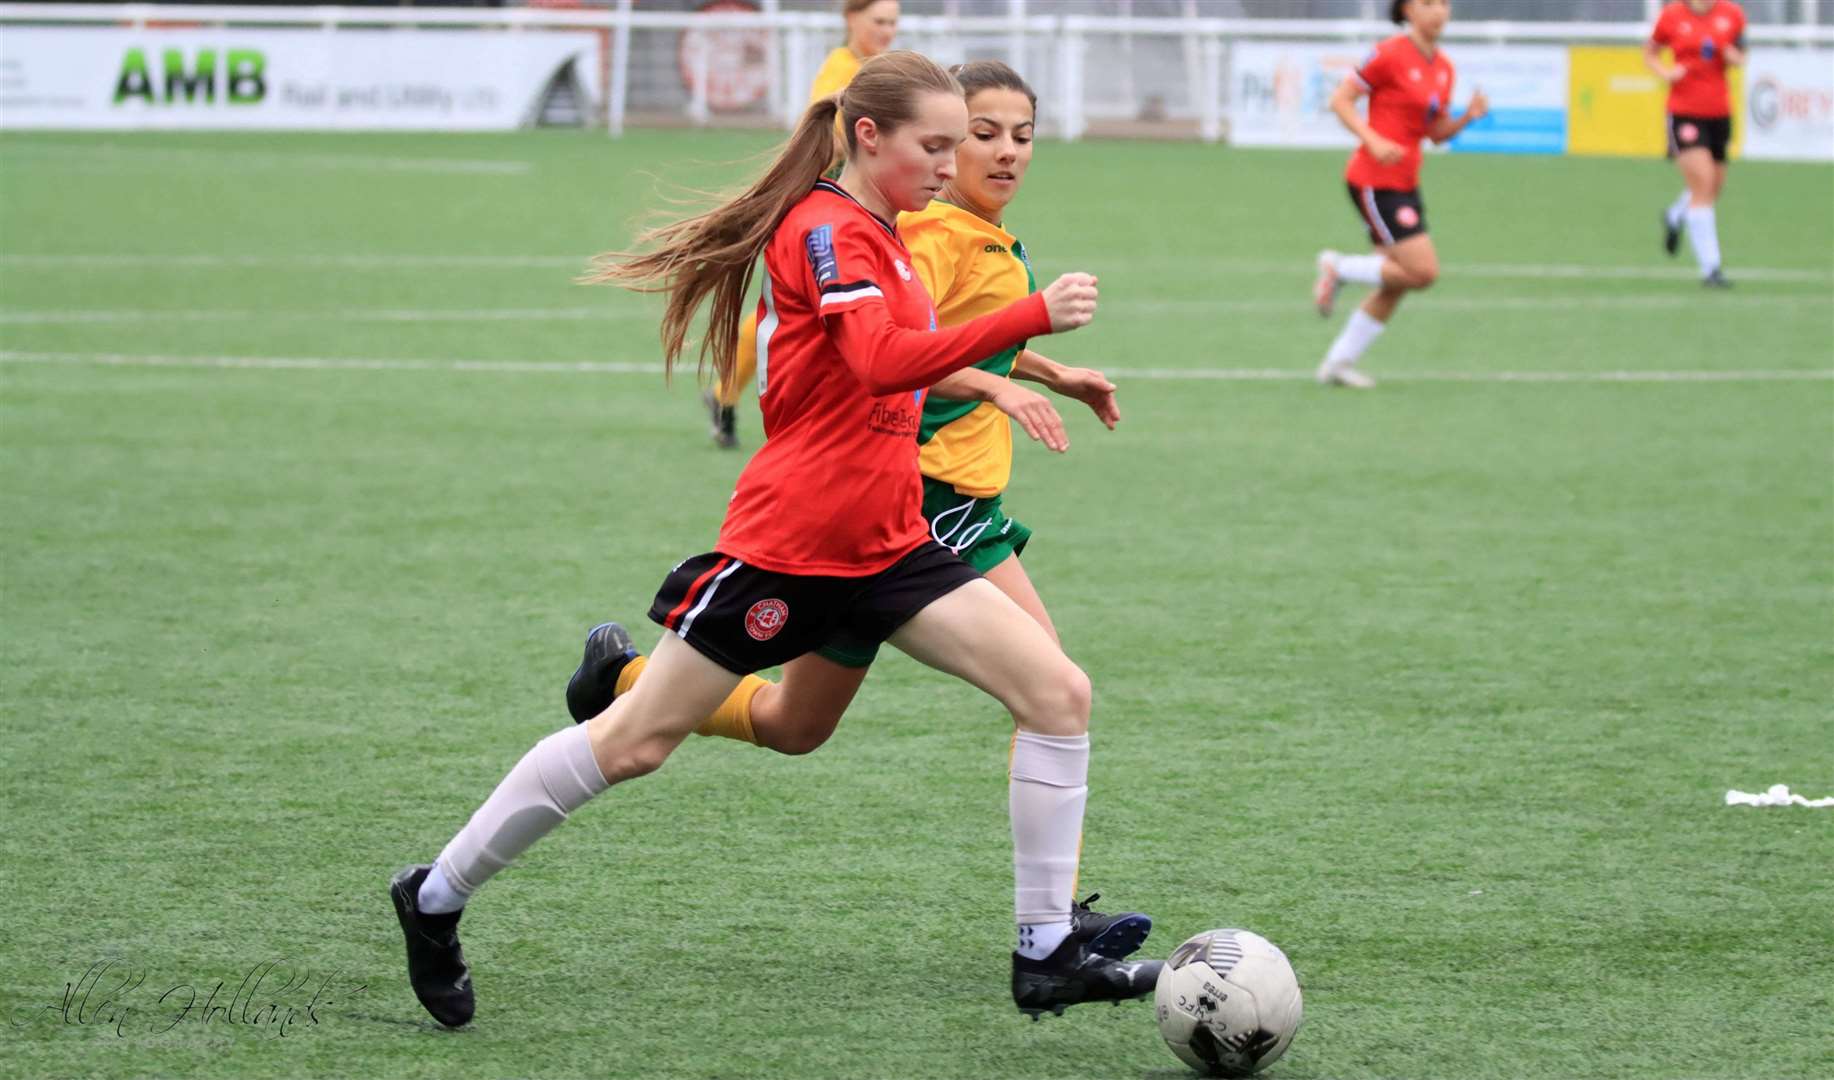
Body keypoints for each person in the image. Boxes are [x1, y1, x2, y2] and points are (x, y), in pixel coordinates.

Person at [390, 51, 1159, 1031]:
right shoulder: (827, 232)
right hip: (792, 547)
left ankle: (1044, 950)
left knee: (1056, 692)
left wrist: (1026, 367)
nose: (948, 161)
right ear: (868, 136)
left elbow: (901, 365)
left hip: (888, 542)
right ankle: (435, 895)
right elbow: (880, 361)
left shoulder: (883, 232)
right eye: (934, 144)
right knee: (633, 745)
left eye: (954, 143)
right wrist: (1028, 320)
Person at [564, 59, 1145, 959]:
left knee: (798, 727)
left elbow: (929, 334)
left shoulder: (971, 228)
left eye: (1018, 136)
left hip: (927, 508)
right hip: (922, 499)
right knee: (1053, 690)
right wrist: (998, 378)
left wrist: (1043, 371)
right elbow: (888, 348)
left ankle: (627, 683)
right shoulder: (926, 227)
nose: (996, 155)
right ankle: (1051, 930)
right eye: (976, 135)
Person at [705, 0, 902, 448]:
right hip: (832, 207)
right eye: (879, 22)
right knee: (810, 312)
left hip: (860, 206)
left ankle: (726, 395)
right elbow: (825, 130)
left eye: (893, 23)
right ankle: (732, 394)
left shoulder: (874, 67)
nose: (888, 31)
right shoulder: (842, 68)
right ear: (851, 19)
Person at [1309, 0, 1486, 390]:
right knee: (1423, 272)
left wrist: (1467, 118)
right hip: (1374, 180)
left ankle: (1338, 364)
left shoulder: (1443, 68)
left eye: (1443, 3)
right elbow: (1340, 99)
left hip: (1406, 181)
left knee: (1397, 283)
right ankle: (1338, 267)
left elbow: (1434, 133)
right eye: (1427, 3)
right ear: (1406, 10)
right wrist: (1371, 139)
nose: (1438, 11)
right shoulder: (1389, 54)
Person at [1646, 0, 1745, 287]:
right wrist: (1665, 73)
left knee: (1713, 186)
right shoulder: (1672, 16)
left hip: (1719, 113)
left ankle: (1675, 215)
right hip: (1684, 112)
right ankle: (1711, 269)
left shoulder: (1732, 14)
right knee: (1701, 184)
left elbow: (1741, 55)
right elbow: (1650, 53)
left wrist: (1733, 57)